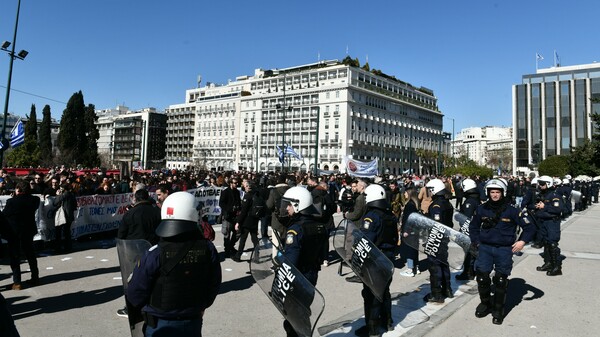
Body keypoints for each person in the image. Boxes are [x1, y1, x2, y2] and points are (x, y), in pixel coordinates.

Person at [126, 192, 222, 337]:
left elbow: (135, 293)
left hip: (160, 324)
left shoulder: (155, 253)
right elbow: (213, 284)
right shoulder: (208, 249)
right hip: (192, 321)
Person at [468, 179, 535, 325]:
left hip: (504, 249)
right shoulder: (481, 209)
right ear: (488, 193)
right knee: (482, 278)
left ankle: (498, 310)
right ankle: (485, 303)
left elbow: (530, 227)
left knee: (500, 280)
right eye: (492, 192)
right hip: (485, 248)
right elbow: (473, 227)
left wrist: (522, 241)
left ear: (503, 193)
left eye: (498, 192)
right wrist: (476, 242)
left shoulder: (512, 210)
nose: (495, 195)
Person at [279, 186, 328, 337]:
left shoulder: (296, 230)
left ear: (298, 205)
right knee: (304, 311)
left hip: (297, 278)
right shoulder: (320, 226)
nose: (287, 208)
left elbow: (290, 262)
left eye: (289, 204)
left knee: (292, 317)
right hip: (312, 274)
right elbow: (323, 253)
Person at [354, 184, 398, 337]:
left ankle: (372, 328)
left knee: (371, 294)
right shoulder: (390, 215)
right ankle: (387, 321)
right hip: (388, 258)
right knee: (384, 292)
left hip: (375, 260)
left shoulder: (371, 217)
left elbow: (365, 240)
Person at [2, 181, 41, 290]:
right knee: (30, 254)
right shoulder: (34, 200)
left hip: (15, 232)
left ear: (18, 190)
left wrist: (15, 197)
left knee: (15, 256)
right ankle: (35, 277)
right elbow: (32, 200)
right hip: (28, 230)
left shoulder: (12, 202)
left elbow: (5, 214)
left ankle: (17, 282)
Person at [424, 178, 454, 304]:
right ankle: (447, 289)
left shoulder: (436, 205)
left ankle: (437, 294)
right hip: (445, 237)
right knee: (443, 263)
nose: (429, 193)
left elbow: (437, 224)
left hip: (437, 238)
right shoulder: (447, 203)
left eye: (430, 190)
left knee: (435, 266)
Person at [534, 175, 564, 276]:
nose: (540, 186)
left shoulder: (554, 195)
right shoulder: (545, 194)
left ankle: (556, 267)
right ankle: (548, 263)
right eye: (540, 183)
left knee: (552, 243)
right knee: (546, 243)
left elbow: (557, 209)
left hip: (552, 222)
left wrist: (544, 206)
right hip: (544, 221)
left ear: (549, 184)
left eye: (542, 184)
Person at [455, 178, 481, 281]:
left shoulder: (469, 202)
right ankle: (472, 271)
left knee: (469, 253)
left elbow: (466, 219)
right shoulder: (476, 199)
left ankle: (468, 273)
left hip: (470, 232)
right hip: (475, 231)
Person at [232, 180, 260, 262]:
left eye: (246, 186)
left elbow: (244, 211)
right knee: (255, 239)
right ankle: (257, 256)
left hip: (247, 220)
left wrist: (238, 221)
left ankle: (238, 256)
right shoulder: (257, 194)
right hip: (255, 219)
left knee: (243, 239)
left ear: (248, 187)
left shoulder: (247, 196)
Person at [399, 184, 420, 277]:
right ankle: (416, 267)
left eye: (406, 193)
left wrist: (406, 230)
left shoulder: (410, 205)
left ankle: (410, 269)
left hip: (409, 230)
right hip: (414, 230)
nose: (404, 194)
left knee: (409, 250)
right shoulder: (414, 204)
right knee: (414, 249)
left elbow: (409, 219)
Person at [266, 174, 291, 254]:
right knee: (288, 242)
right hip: (288, 219)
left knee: (276, 243)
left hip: (276, 219)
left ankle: (276, 262)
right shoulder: (290, 190)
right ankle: (286, 260)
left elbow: (269, 205)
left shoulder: (274, 191)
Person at [218, 178, 242, 258]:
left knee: (238, 232)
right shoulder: (225, 192)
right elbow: (221, 203)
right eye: (235, 183)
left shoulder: (237, 192)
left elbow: (239, 202)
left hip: (235, 216)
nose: (236, 184)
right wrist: (229, 208)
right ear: (231, 183)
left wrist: (238, 208)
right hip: (228, 216)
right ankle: (227, 250)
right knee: (226, 234)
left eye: (237, 183)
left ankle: (231, 246)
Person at [53, 183, 78, 253]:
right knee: (67, 232)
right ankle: (68, 247)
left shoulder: (64, 195)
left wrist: (58, 195)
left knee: (58, 232)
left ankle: (58, 248)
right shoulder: (72, 195)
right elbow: (75, 205)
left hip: (63, 216)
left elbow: (55, 202)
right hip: (69, 216)